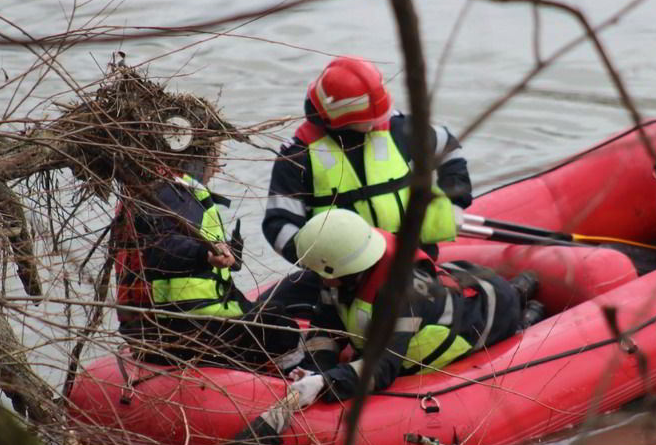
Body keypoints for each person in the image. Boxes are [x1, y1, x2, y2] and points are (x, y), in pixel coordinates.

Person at [261, 56, 473, 315]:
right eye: (369, 119)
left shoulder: (396, 128)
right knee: (266, 312)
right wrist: (320, 265)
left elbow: (448, 147)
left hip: (414, 263)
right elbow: (278, 226)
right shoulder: (298, 157)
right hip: (343, 279)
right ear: (341, 119)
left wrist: (456, 200)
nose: (377, 123)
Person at [282, 209, 546, 407]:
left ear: (341, 267)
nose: (316, 277)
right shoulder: (344, 275)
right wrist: (316, 368)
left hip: (486, 316)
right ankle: (522, 289)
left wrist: (326, 383)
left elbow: (383, 368)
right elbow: (324, 328)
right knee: (505, 292)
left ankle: (529, 309)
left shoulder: (397, 295)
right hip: (463, 285)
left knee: (514, 312)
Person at [112, 136, 299, 366]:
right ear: (197, 159)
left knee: (262, 311)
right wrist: (205, 254)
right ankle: (287, 383)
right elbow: (160, 248)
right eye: (215, 159)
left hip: (146, 335)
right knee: (280, 323)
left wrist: (221, 254)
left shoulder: (148, 189)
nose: (217, 169)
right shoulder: (175, 193)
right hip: (179, 333)